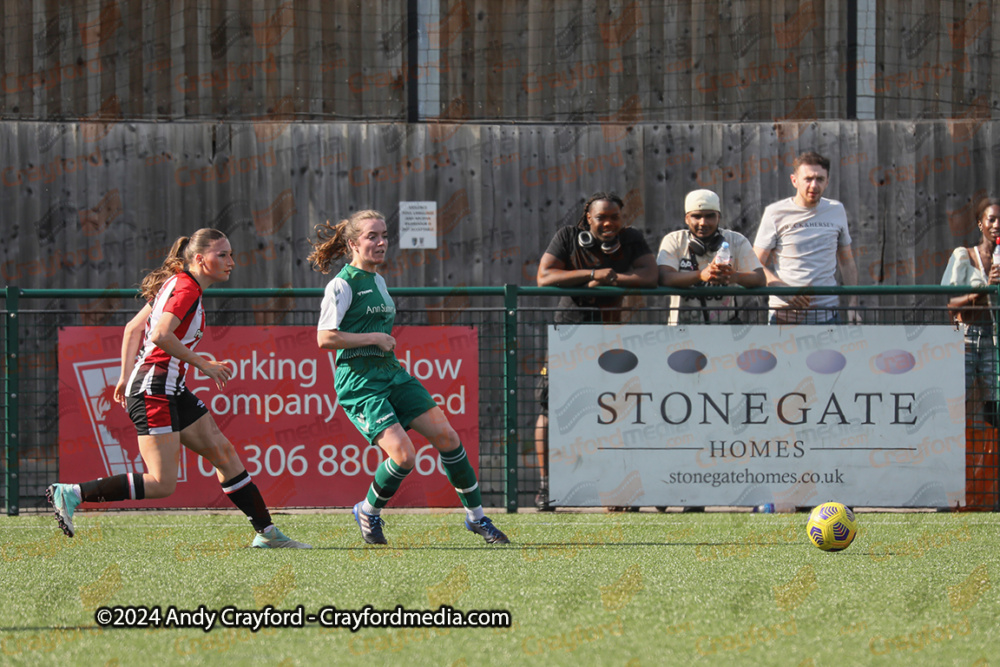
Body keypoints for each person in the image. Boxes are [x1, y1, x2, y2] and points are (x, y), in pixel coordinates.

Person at [48, 229, 310, 548]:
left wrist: (123, 376)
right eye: (222, 255)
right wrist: (203, 364)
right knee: (161, 483)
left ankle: (267, 534)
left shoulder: (178, 283)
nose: (232, 262)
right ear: (199, 259)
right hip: (154, 389)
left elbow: (133, 330)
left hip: (168, 387)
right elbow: (158, 335)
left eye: (231, 254)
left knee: (224, 453)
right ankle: (73, 493)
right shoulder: (185, 287)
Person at [309, 210, 509, 545]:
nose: (381, 242)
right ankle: (368, 512)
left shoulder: (379, 280)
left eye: (384, 235)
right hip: (360, 383)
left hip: (392, 373)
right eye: (372, 236)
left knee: (448, 438)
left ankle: (477, 519)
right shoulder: (342, 284)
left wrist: (379, 343)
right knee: (404, 456)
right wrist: (373, 338)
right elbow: (325, 338)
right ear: (353, 243)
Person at [534, 192, 658, 511]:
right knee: (551, 412)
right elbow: (545, 277)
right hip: (569, 335)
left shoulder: (631, 239)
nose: (608, 223)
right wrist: (591, 275)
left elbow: (650, 275)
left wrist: (612, 280)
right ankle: (547, 488)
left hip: (610, 336)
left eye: (614, 217)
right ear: (588, 218)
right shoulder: (567, 236)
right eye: (601, 217)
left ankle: (616, 490)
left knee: (614, 412)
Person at [753, 151, 861, 324]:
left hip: (828, 315)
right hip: (785, 316)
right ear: (794, 180)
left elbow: (847, 262)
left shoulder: (837, 210)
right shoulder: (775, 213)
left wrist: (853, 305)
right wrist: (781, 289)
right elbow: (754, 262)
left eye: (819, 179)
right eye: (808, 179)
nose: (814, 185)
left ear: (828, 181)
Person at [657, 188, 765, 323]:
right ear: (686, 218)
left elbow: (760, 278)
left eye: (710, 216)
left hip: (724, 330)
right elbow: (663, 277)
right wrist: (700, 275)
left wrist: (734, 276)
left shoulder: (736, 240)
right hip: (682, 332)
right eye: (696, 216)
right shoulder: (674, 240)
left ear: (719, 217)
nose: (703, 223)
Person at [942, 197, 1000, 427]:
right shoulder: (964, 255)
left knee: (994, 403)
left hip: (994, 339)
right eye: (991, 219)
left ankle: (991, 458)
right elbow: (952, 304)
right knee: (957, 400)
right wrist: (984, 289)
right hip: (966, 337)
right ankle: (953, 456)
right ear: (980, 223)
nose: (996, 224)